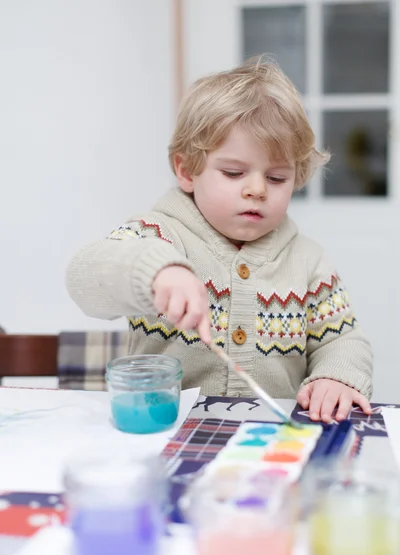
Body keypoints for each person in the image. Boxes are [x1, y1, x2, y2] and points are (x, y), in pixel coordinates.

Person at [66, 57, 373, 423]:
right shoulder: (157, 237)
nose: (257, 189)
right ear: (186, 170)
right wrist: (155, 270)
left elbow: (343, 340)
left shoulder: (309, 262)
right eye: (233, 172)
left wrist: (336, 377)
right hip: (167, 433)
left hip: (269, 444)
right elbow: (84, 277)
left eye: (277, 178)